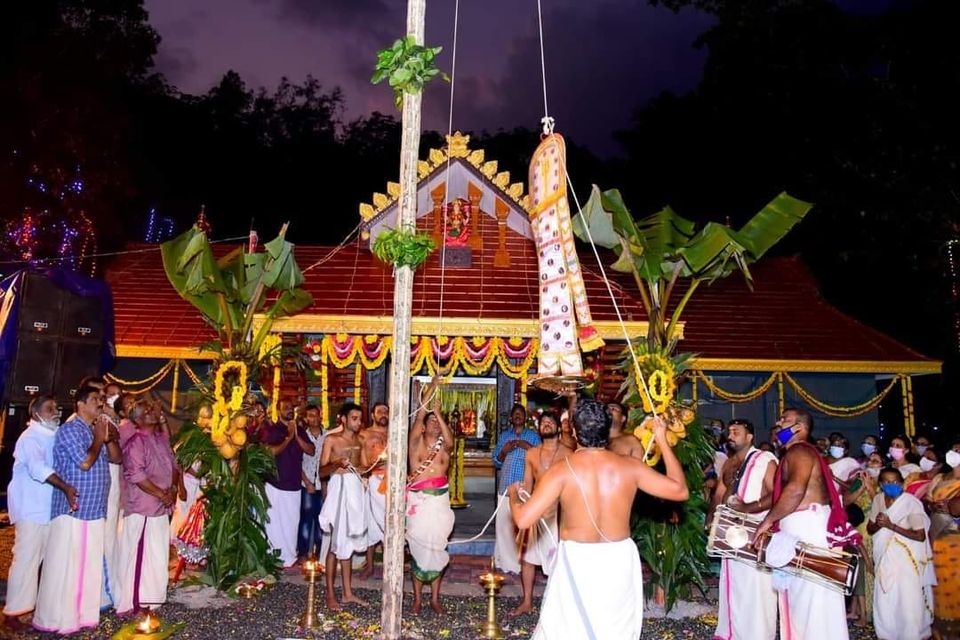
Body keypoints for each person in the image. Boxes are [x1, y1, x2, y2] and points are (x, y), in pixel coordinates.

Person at [508, 399, 688, 640]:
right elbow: (679, 490)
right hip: (619, 557)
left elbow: (523, 519)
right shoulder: (630, 466)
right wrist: (662, 440)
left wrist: (513, 497)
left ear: (572, 430)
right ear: (607, 429)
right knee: (613, 631)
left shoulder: (561, 470)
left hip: (577, 558)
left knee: (568, 631)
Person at [754, 408, 854, 640]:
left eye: (785, 420)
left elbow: (796, 489)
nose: (778, 423)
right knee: (805, 600)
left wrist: (768, 521)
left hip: (808, 527)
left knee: (812, 601)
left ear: (799, 428)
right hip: (804, 526)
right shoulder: (798, 452)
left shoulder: (798, 450)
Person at [33, 384, 121, 634]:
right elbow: (84, 463)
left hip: (94, 511)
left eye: (102, 399)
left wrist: (110, 438)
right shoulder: (70, 430)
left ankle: (82, 616)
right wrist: (98, 438)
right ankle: (56, 619)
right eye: (95, 398)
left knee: (88, 567)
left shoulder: (96, 430)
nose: (100, 403)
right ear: (80, 404)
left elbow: (117, 458)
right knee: (65, 569)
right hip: (72, 512)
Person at [3, 395, 77, 631]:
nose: (56, 412)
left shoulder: (54, 436)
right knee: (26, 559)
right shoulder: (30, 438)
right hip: (31, 509)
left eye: (57, 407)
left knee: (45, 560)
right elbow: (38, 469)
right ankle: (13, 613)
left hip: (49, 510)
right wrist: (66, 487)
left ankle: (37, 609)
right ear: (35, 413)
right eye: (49, 409)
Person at [708, 418, 778, 640]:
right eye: (729, 431)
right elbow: (719, 493)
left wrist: (748, 507)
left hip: (755, 531)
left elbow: (775, 494)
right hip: (730, 533)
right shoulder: (728, 463)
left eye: (737, 431)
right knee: (735, 585)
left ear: (750, 436)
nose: (731, 434)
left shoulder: (765, 459)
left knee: (756, 589)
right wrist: (711, 517)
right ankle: (735, 634)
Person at [113, 400, 179, 615]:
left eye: (152, 409)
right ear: (138, 420)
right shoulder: (135, 443)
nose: (152, 412)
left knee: (157, 554)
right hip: (143, 507)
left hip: (161, 507)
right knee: (139, 554)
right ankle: (135, 601)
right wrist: (162, 494)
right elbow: (137, 475)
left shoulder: (161, 439)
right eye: (147, 411)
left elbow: (174, 465)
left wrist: (173, 490)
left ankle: (152, 597)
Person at [511, 411, 574, 617]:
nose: (546, 425)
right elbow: (528, 484)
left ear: (557, 427)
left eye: (550, 422)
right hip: (536, 510)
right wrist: (521, 495)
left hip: (559, 513)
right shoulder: (531, 454)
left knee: (560, 560)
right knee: (528, 559)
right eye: (543, 422)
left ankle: (555, 604)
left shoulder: (568, 453)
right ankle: (527, 601)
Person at [406, 379, 456, 614]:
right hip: (419, 501)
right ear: (423, 427)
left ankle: (435, 598)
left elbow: (450, 441)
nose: (435, 423)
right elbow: (419, 415)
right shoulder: (415, 443)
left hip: (439, 500)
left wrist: (438, 413)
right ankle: (417, 599)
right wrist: (433, 385)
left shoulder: (444, 446)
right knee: (417, 549)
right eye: (432, 421)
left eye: (438, 421)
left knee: (437, 549)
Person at [867, 467, 935, 640]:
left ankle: (911, 634)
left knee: (907, 598)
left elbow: (920, 535)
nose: (892, 485)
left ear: (902, 483)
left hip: (906, 558)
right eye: (887, 482)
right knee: (886, 595)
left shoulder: (911, 503)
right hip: (885, 559)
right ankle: (888, 634)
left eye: (895, 481)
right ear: (881, 484)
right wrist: (879, 524)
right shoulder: (878, 500)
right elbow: (870, 528)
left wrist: (892, 526)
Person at [318, 402, 368, 609]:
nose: (357, 422)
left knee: (346, 544)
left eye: (359, 418)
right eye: (353, 418)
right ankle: (330, 593)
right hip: (339, 491)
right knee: (335, 544)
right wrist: (336, 464)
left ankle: (347, 593)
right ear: (344, 419)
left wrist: (378, 464)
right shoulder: (332, 440)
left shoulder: (360, 440)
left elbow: (364, 469)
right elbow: (321, 472)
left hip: (356, 490)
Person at [261, 399, 316, 569]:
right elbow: (270, 451)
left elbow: (311, 450)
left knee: (292, 522)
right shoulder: (272, 429)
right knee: (273, 524)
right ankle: (272, 557)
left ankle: (289, 557)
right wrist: (288, 437)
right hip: (274, 484)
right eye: (285, 408)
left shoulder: (300, 430)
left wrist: (296, 435)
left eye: (291, 407)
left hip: (293, 485)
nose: (289, 410)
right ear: (278, 411)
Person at [492, 403, 541, 574]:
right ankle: (506, 563)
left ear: (525, 418)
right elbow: (496, 462)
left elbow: (541, 459)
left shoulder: (533, 437)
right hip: (505, 487)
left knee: (521, 528)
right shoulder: (504, 436)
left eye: (521, 413)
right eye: (515, 414)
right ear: (511, 418)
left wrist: (528, 447)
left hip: (524, 490)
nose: (518, 416)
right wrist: (504, 451)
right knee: (504, 527)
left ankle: (520, 563)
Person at [844, 451, 884, 627]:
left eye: (876, 461)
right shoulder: (858, 482)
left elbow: (883, 507)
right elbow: (845, 502)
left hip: (879, 532)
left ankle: (878, 612)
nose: (872, 463)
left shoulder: (885, 482)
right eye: (870, 461)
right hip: (860, 532)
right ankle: (863, 612)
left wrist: (871, 488)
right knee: (862, 572)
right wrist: (861, 487)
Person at [926, 449, 960, 639]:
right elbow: (929, 498)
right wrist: (934, 505)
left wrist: (951, 505)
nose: (955, 453)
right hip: (936, 534)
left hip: (954, 538)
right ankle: (939, 629)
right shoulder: (940, 476)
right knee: (937, 579)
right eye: (954, 449)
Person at [358, 401, 389, 580]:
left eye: (386, 411)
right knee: (371, 524)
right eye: (380, 412)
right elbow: (361, 463)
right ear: (372, 415)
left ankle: (388, 566)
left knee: (389, 524)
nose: (383, 414)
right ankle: (369, 566)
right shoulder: (364, 435)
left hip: (393, 483)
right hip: (374, 481)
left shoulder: (396, 432)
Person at [298, 404, 326, 561]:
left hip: (322, 484)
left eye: (316, 415)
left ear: (320, 416)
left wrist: (325, 485)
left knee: (322, 520)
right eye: (310, 416)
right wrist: (307, 482)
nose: (314, 418)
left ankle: (319, 554)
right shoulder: (302, 436)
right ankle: (303, 554)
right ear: (306, 418)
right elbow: (297, 462)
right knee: (306, 520)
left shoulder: (328, 436)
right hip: (306, 484)